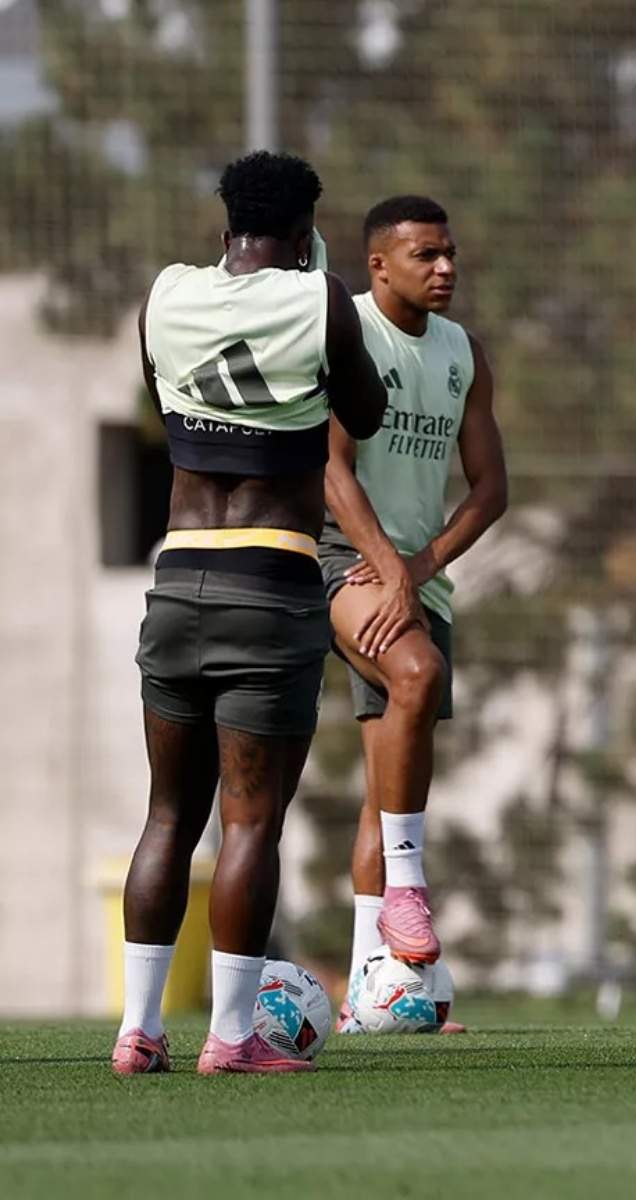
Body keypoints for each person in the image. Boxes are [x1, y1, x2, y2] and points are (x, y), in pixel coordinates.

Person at [114, 151, 387, 1075]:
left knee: (164, 820)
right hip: (269, 586)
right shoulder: (323, 299)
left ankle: (138, 1031)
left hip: (178, 577)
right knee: (250, 822)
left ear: (224, 223)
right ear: (305, 231)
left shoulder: (166, 295)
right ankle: (231, 1037)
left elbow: (160, 400)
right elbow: (369, 410)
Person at [321, 195, 507, 1032]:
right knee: (417, 670)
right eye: (427, 255)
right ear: (379, 264)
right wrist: (389, 567)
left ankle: (374, 992)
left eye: (451, 253)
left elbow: (491, 490)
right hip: (343, 558)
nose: (446, 268)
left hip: (412, 576)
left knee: (387, 783)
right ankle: (406, 894)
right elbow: (331, 468)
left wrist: (421, 565)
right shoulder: (348, 333)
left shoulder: (465, 353)